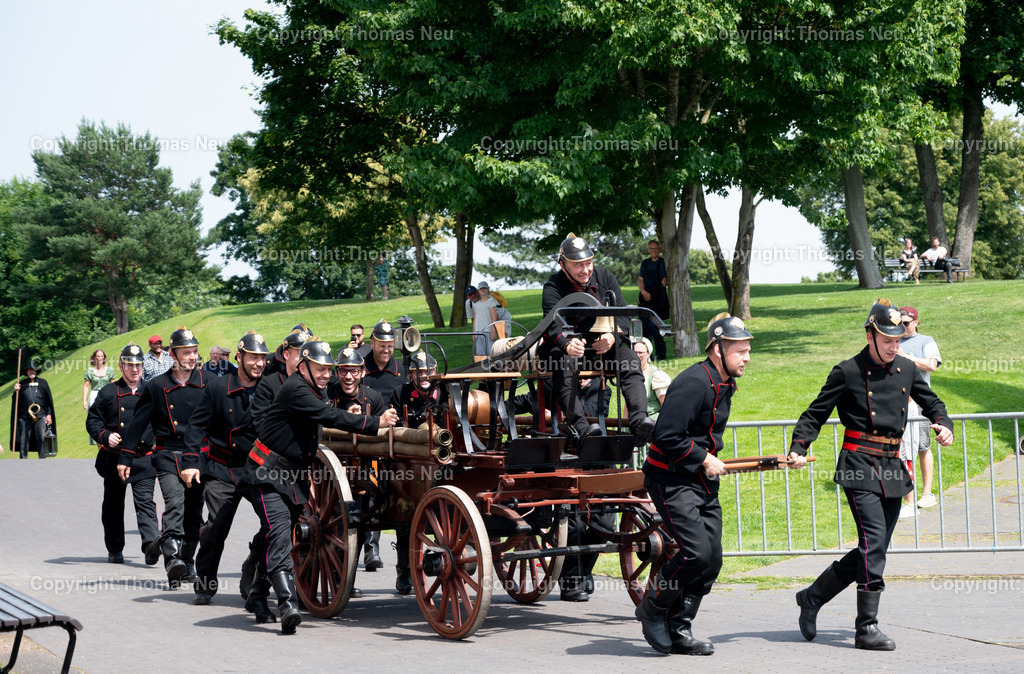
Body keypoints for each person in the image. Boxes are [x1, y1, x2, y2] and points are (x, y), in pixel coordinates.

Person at [791, 299, 953, 651]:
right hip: (859, 465)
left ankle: (813, 596)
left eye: (898, 340)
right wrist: (799, 447)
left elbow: (932, 402)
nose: (895, 347)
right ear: (870, 335)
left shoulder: (907, 369)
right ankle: (866, 627)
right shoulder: (847, 371)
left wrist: (943, 424)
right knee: (874, 543)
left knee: (873, 547)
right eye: (887, 341)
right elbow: (814, 413)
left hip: (893, 467)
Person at [244, 338, 398, 633]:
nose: (327, 374)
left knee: (270, 535)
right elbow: (329, 416)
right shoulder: (296, 389)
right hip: (267, 472)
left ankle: (257, 594)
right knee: (278, 533)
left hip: (293, 475)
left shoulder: (313, 390)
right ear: (303, 367)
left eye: (329, 369)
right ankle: (287, 604)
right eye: (321, 368)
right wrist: (374, 422)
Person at [635, 313, 755, 655]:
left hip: (700, 482)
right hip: (670, 480)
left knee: (712, 559)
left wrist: (705, 463)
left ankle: (680, 626)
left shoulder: (725, 382)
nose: (747, 357)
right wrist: (703, 458)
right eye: (741, 351)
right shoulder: (693, 382)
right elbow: (666, 436)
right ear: (717, 349)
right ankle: (653, 608)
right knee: (695, 553)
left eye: (748, 350)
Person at [538, 233, 655, 447]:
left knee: (629, 358)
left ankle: (639, 421)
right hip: (565, 351)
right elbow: (552, 327)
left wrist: (613, 335)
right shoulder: (553, 287)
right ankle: (580, 427)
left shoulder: (605, 277)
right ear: (563, 265)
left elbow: (624, 316)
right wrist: (567, 344)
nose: (585, 270)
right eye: (578, 265)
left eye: (588, 263)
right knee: (562, 362)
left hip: (601, 350)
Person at [183, 331, 269, 608]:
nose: (258, 363)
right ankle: (205, 584)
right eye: (254, 357)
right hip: (223, 468)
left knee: (276, 524)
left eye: (263, 359)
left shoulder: (271, 388)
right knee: (216, 527)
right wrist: (190, 463)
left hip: (260, 468)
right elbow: (196, 427)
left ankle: (253, 564)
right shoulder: (218, 387)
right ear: (240, 357)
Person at [118, 327, 207, 587]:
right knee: (175, 505)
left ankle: (187, 562)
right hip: (167, 453)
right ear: (172, 354)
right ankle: (172, 559)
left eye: (194, 351)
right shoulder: (157, 386)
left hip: (199, 457)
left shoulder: (208, 382)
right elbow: (137, 423)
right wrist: (125, 456)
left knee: (194, 513)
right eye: (186, 352)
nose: (192, 357)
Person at [86, 343, 159, 565]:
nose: (134, 370)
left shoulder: (153, 391)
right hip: (115, 457)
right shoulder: (109, 392)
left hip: (144, 456)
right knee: (113, 504)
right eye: (129, 365)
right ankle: (115, 548)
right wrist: (105, 435)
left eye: (138, 365)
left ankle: (150, 544)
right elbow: (93, 420)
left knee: (145, 502)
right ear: (121, 366)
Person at [387, 350, 448, 595]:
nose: (424, 377)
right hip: (407, 461)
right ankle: (405, 572)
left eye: (427, 372)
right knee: (405, 517)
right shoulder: (399, 394)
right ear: (411, 375)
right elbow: (395, 426)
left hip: (440, 456)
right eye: (418, 373)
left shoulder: (443, 392)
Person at [328, 346, 386, 576]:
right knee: (339, 520)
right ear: (337, 373)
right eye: (343, 371)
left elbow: (382, 434)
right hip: (329, 469)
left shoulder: (373, 397)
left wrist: (386, 421)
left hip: (366, 466)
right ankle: (339, 576)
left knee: (370, 506)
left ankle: (363, 560)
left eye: (353, 371)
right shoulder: (327, 395)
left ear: (362, 372)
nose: (348, 376)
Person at [896, 306, 943, 518]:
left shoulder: (926, 340)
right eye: (899, 323)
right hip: (897, 404)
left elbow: (932, 365)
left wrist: (906, 358)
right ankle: (907, 498)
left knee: (922, 446)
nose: (902, 327)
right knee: (902, 450)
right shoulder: (892, 340)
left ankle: (926, 494)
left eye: (906, 323)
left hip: (920, 403)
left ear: (916, 322)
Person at [10, 361, 56, 459]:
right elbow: (15, 401)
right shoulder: (22, 384)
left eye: (33, 370)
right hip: (25, 417)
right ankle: (23, 459)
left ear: (36, 371)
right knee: (24, 440)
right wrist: (16, 391)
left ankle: (42, 459)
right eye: (30, 370)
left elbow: (48, 401)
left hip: (40, 415)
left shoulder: (43, 383)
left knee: (41, 438)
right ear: (26, 372)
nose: (32, 371)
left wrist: (49, 414)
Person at [638, 240, 669, 360]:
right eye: (651, 249)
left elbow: (664, 280)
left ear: (659, 249)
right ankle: (647, 355)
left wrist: (657, 293)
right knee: (645, 328)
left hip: (658, 299)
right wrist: (643, 292)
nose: (653, 251)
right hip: (645, 299)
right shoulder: (645, 263)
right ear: (648, 250)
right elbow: (641, 279)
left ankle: (661, 354)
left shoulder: (662, 262)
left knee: (656, 327)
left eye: (656, 248)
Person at [363, 319, 407, 404]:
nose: (386, 350)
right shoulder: (359, 369)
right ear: (372, 343)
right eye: (382, 346)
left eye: (390, 346)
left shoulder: (402, 368)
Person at [634, 337, 670, 423]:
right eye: (634, 352)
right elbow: (627, 406)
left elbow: (666, 406)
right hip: (633, 422)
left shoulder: (657, 376)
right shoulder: (630, 375)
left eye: (641, 352)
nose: (637, 355)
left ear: (648, 354)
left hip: (652, 423)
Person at [465, 284, 499, 358]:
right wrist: (474, 332)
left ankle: (494, 366)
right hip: (478, 330)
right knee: (481, 352)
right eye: (470, 295)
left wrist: (494, 330)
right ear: (468, 297)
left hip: (488, 328)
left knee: (491, 351)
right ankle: (484, 367)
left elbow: (495, 317)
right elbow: (474, 318)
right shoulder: (470, 304)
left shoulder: (489, 300)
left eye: (474, 293)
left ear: (477, 292)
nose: (473, 295)